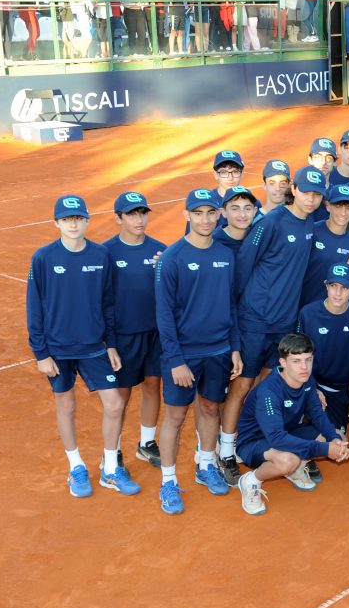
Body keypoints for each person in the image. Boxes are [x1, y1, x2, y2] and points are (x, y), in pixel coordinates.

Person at [219, 165, 324, 487]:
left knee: (267, 386)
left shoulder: (310, 226)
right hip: (254, 321)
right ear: (294, 188)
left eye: (317, 194)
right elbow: (243, 266)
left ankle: (262, 443)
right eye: (306, 191)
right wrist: (236, 315)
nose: (311, 199)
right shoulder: (272, 222)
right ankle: (226, 451)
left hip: (283, 324)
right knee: (241, 386)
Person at [27, 195, 132, 498]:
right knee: (66, 405)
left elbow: (108, 303)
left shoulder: (100, 255)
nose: (73, 224)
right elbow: (34, 307)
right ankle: (76, 466)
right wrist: (41, 353)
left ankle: (110, 468)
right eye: (66, 219)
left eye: (78, 218)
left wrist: (110, 344)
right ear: (56, 223)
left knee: (114, 403)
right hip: (58, 349)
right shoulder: (43, 257)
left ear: (87, 220)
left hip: (93, 346)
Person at [154, 189, 242, 514]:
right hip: (184, 355)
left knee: (210, 409)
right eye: (198, 213)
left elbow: (230, 305)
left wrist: (234, 348)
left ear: (218, 215)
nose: (205, 220)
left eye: (211, 213)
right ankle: (167, 481)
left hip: (219, 350)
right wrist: (175, 359)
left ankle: (206, 465)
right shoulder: (172, 258)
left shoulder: (226, 255)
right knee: (175, 416)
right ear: (186, 215)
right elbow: (163, 314)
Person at [236, 333, 349, 515]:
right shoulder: (269, 391)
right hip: (255, 441)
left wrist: (334, 439)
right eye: (296, 361)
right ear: (283, 363)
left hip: (287, 432)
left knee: (338, 436)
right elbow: (276, 438)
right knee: (289, 460)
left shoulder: (306, 379)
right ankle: (251, 481)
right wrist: (324, 449)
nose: (304, 367)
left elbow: (318, 415)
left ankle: (296, 469)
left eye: (308, 360)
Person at [104, 192, 167, 468]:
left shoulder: (161, 251)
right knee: (123, 394)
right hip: (124, 335)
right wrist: (109, 342)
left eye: (142, 213)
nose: (139, 219)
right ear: (118, 218)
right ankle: (113, 449)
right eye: (131, 214)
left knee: (153, 385)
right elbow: (101, 300)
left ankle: (147, 443)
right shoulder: (106, 252)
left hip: (155, 333)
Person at [297, 262, 349, 438]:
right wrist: (311, 388)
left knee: (337, 440)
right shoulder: (308, 313)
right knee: (306, 431)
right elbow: (296, 356)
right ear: (326, 285)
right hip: (314, 385)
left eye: (344, 287)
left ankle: (344, 415)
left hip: (341, 390)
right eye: (333, 286)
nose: (338, 293)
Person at [300, 182, 349, 307]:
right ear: (328, 206)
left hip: (330, 310)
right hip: (303, 304)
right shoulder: (312, 231)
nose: (343, 212)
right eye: (338, 206)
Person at [212, 186, 258, 255]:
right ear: (224, 212)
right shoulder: (213, 242)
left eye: (247, 209)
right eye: (235, 209)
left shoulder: (258, 237)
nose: (242, 214)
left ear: (255, 211)